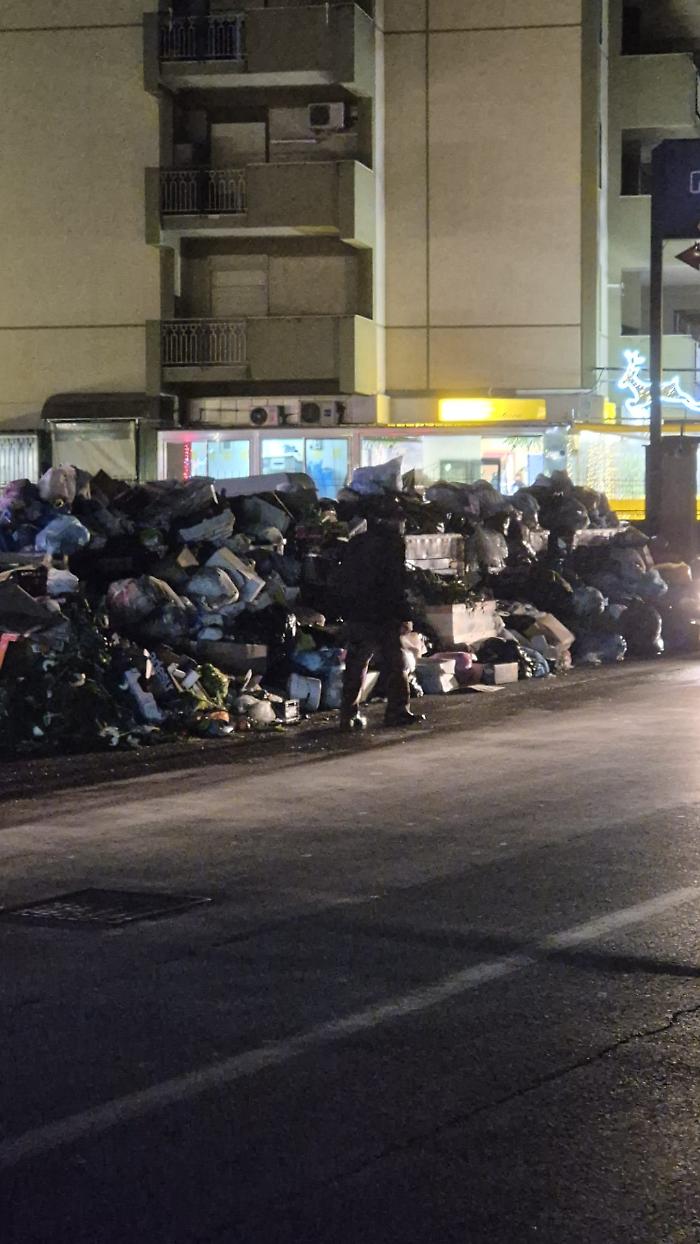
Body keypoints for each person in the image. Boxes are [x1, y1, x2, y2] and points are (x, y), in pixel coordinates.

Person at [333, 497, 425, 732]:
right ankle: (397, 711)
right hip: (383, 613)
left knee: (357, 662)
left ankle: (348, 714)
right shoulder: (392, 544)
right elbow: (395, 583)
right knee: (396, 662)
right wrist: (404, 613)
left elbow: (342, 578)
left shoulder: (356, 543)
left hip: (356, 611)